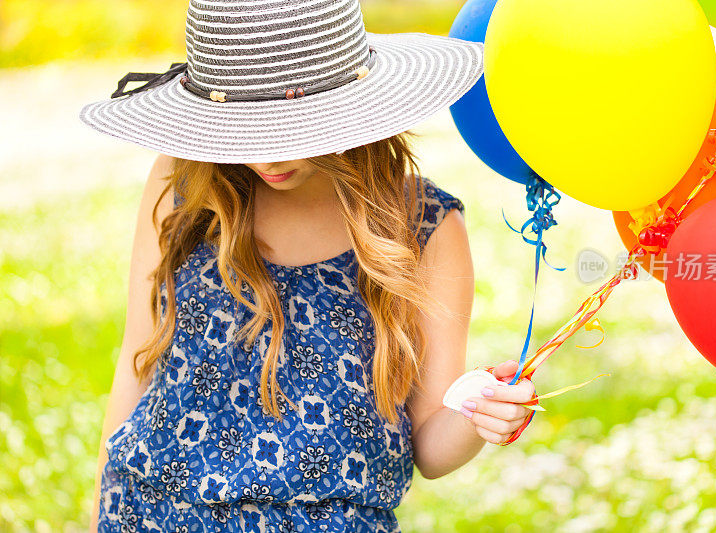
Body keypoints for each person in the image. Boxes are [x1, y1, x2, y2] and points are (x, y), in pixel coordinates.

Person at [80, 1, 536, 531]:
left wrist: (480, 415)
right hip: (153, 513)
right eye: (247, 129)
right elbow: (136, 366)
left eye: (292, 129)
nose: (269, 159)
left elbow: (430, 446)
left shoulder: (424, 227)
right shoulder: (184, 185)